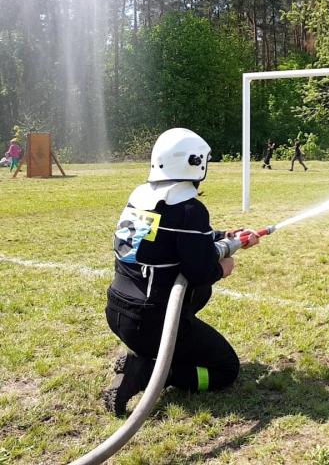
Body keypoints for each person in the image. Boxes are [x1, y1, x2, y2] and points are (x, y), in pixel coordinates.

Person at [104, 128, 259, 416]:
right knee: (226, 369)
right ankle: (150, 371)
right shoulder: (189, 209)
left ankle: (153, 354)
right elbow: (200, 271)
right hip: (153, 322)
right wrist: (223, 268)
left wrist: (227, 236)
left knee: (200, 293)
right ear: (195, 163)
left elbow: (174, 241)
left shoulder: (141, 198)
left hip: (119, 311)